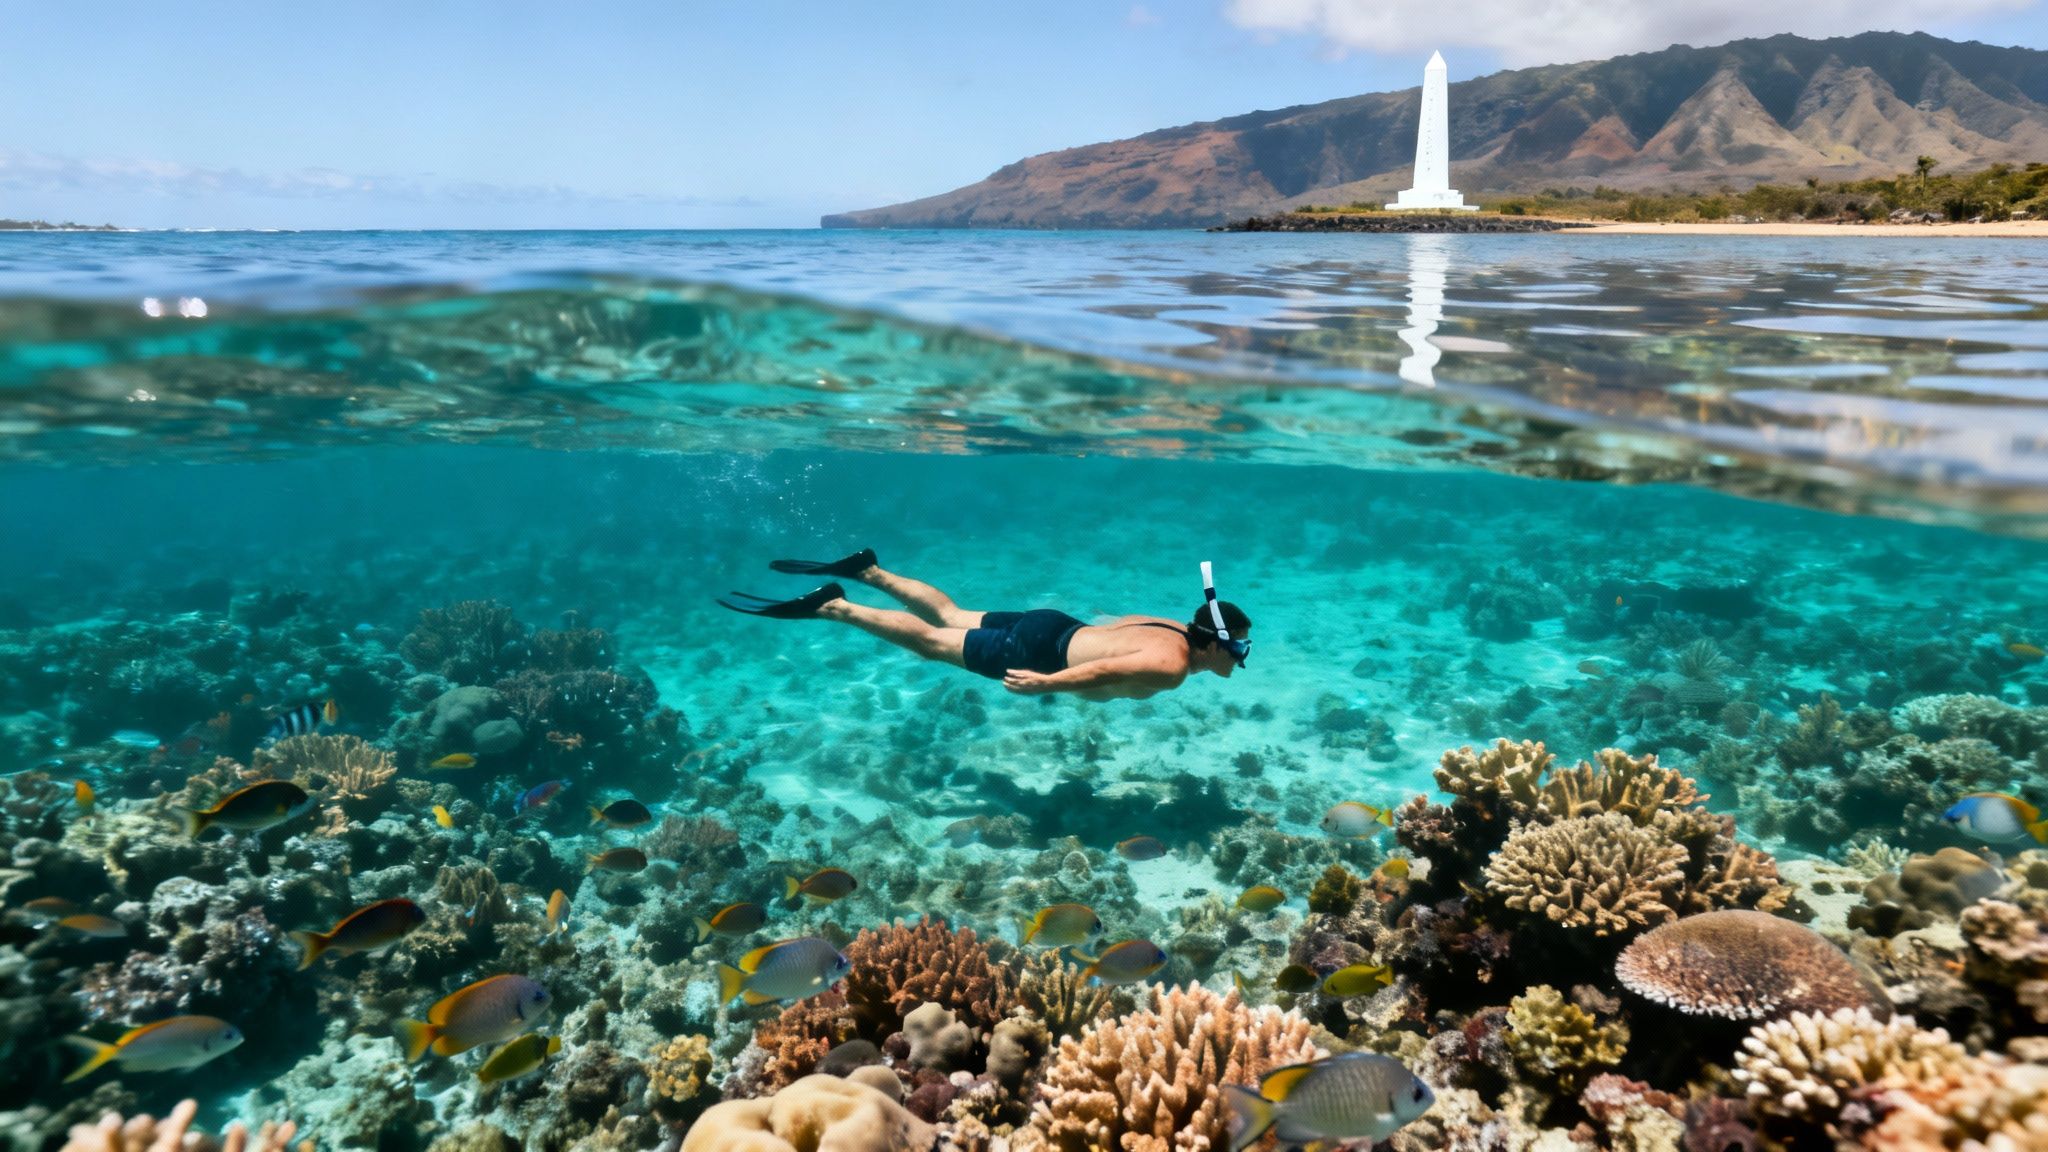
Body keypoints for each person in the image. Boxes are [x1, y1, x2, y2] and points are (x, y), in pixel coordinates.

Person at [719, 549, 1250, 700]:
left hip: (1054, 625)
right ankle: (835, 606)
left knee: (951, 614)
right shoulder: (1173, 665)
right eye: (1241, 649)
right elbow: (1104, 671)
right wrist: (1046, 682)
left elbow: (1110, 631)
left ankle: (869, 571)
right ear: (1217, 645)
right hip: (1043, 653)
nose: (1243, 659)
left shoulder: (1169, 626)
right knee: (932, 642)